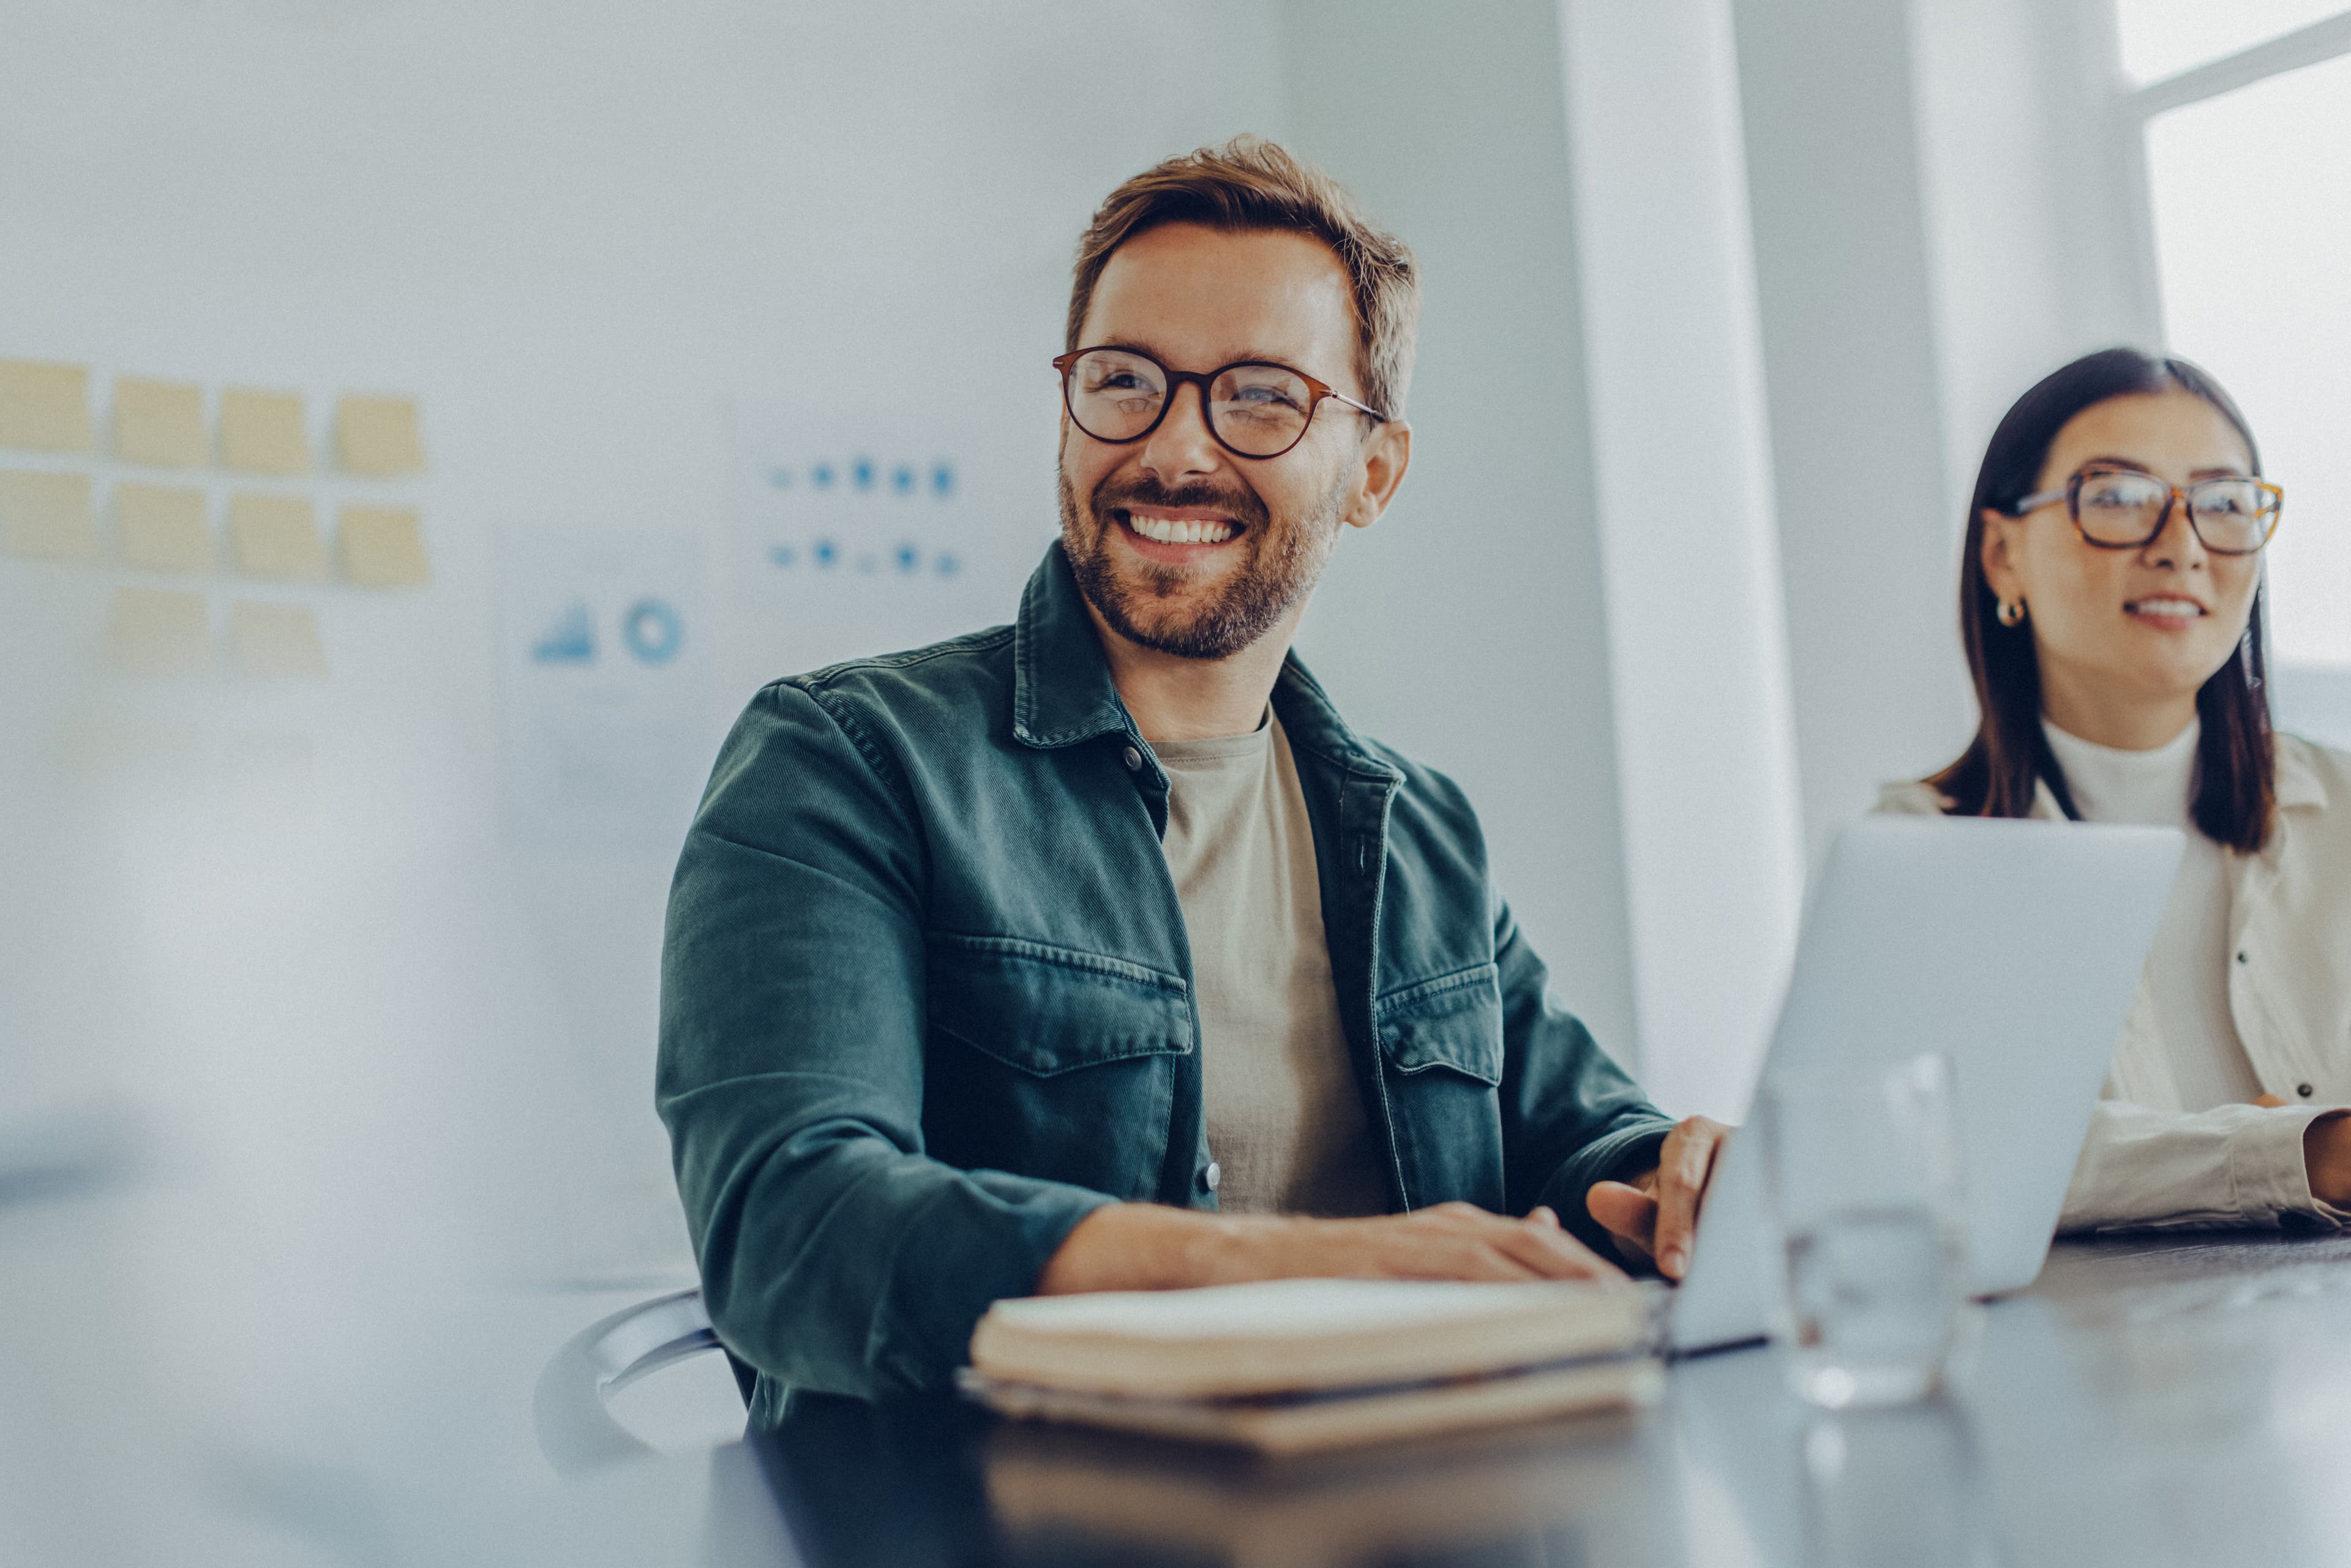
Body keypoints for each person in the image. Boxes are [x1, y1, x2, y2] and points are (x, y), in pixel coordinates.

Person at [658, 137, 1725, 1417]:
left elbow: (1575, 1140)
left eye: (1263, 397)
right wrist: (1294, 1270)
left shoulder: (1416, 830)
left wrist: (1678, 1175)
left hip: (1418, 1501)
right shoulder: (846, 761)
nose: (1176, 449)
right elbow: (793, 1229)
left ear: (1372, 474)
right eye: (1125, 381)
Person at [1882, 347, 2351, 1231]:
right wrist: (2309, 1150)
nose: (2180, 546)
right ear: (2001, 554)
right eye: (2120, 497)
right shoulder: (1917, 857)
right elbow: (1955, 1155)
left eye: (2222, 504)